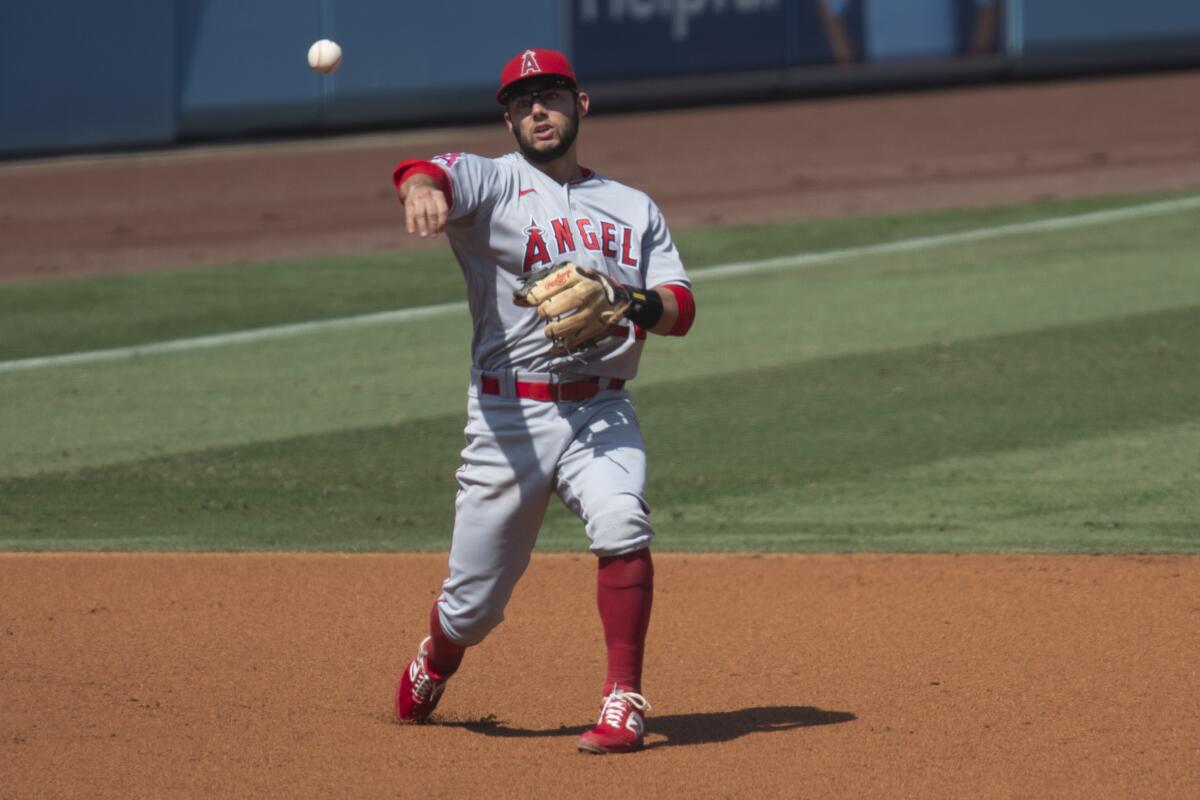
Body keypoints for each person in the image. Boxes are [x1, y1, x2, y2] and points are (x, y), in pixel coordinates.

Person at [390, 47, 696, 755]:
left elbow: (680, 308)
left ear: (579, 105)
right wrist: (417, 189)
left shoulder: (632, 206)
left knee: (623, 521)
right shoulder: (491, 184)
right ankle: (436, 655)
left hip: (601, 409)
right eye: (524, 100)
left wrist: (630, 302)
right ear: (507, 117)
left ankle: (623, 700)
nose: (539, 109)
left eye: (552, 95)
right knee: (473, 607)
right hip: (508, 421)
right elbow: (426, 169)